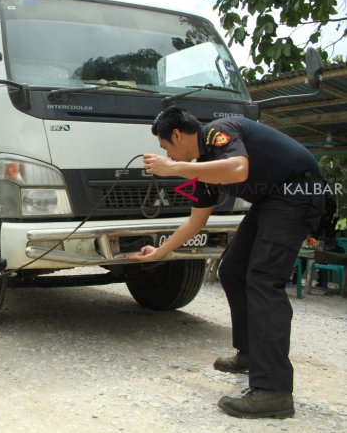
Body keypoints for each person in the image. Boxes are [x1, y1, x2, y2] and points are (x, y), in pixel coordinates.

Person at [129, 106, 324, 419]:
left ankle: (273, 391)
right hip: (271, 200)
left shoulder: (220, 130)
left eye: (165, 146)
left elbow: (238, 170)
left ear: (177, 135)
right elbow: (195, 223)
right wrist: (160, 251)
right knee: (233, 270)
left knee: (262, 278)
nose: (164, 153)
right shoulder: (202, 168)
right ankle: (249, 353)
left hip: (297, 191)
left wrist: (174, 167)